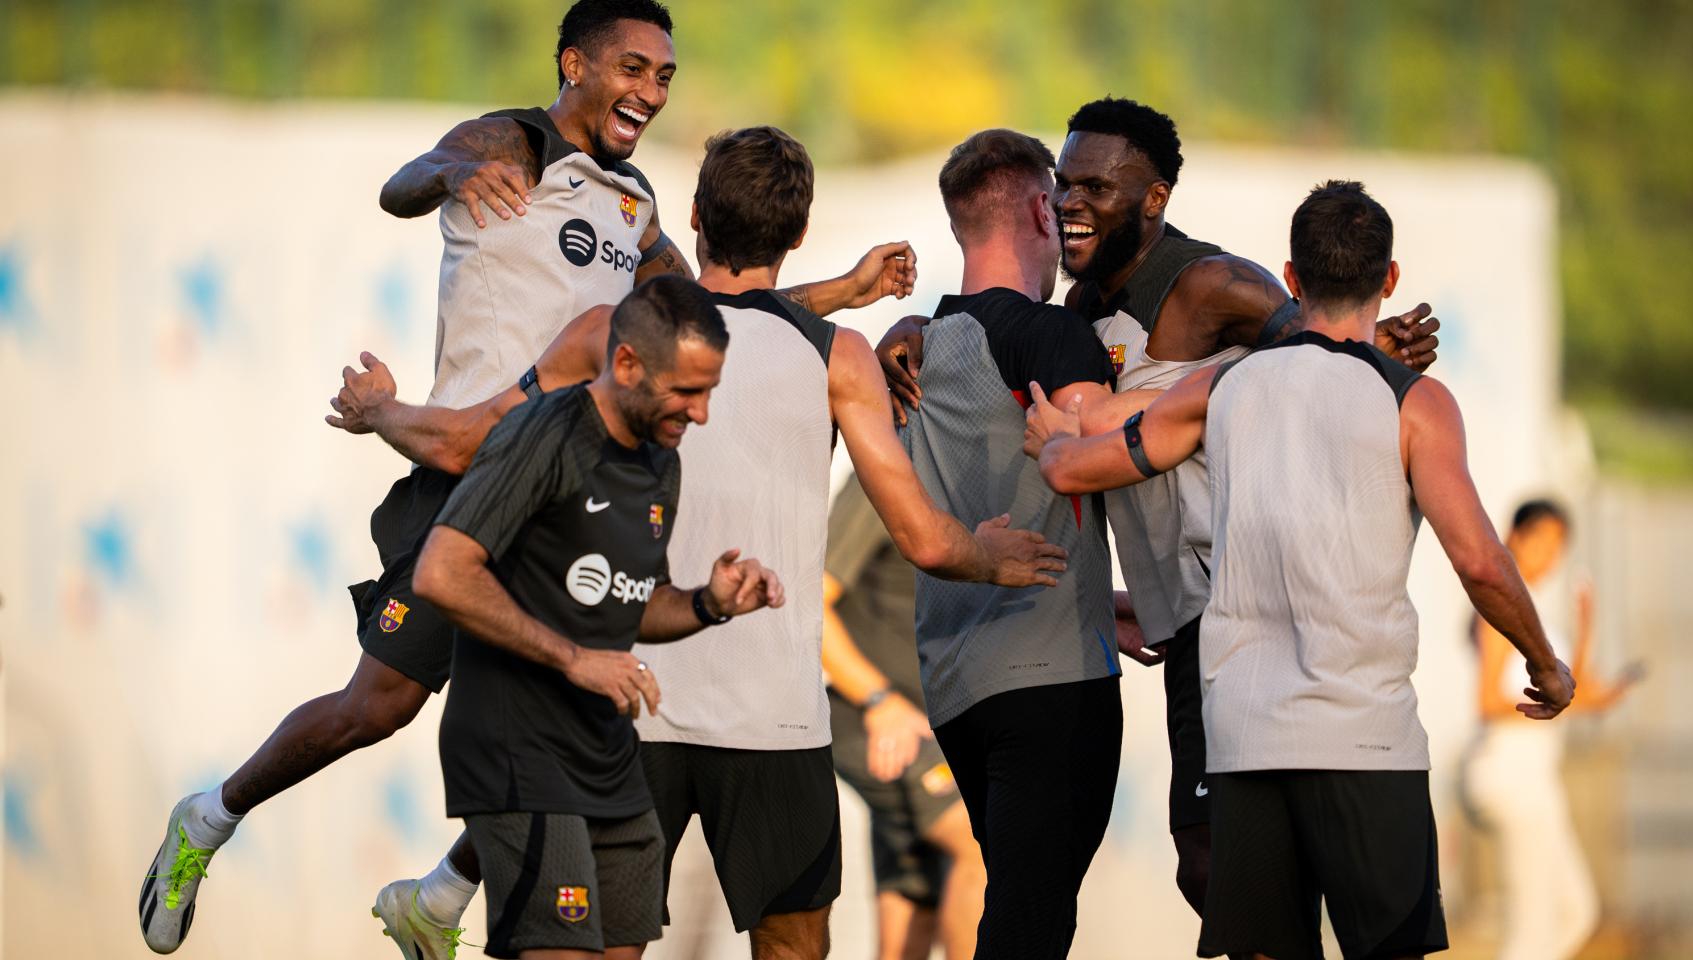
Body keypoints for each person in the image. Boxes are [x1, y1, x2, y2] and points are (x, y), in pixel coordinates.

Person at [137, 3, 913, 955]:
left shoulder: (637, 208)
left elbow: (719, 306)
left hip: (569, 489)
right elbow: (404, 183)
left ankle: (442, 895)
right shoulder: (514, 140)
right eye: (633, 67)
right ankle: (211, 818)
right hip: (471, 470)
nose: (650, 91)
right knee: (376, 707)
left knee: (584, 718)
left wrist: (843, 294)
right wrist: (456, 170)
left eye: (665, 76)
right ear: (572, 62)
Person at [327, 125, 1068, 960]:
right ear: (797, 233)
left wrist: (380, 411)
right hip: (774, 719)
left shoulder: (613, 333)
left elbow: (468, 442)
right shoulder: (838, 356)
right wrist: (992, 555)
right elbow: (925, 542)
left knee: (598, 945)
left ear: (694, 219)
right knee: (793, 945)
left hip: (624, 706)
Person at [877, 98, 1441, 915]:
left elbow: (1317, 359)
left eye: (1097, 187)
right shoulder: (1072, 316)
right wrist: (916, 327)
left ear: (1154, 199)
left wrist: (1375, 350)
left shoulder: (1214, 284)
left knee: (1233, 868)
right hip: (1181, 626)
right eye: (1063, 184)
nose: (1072, 202)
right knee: (1209, 868)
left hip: (1245, 611)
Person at [1028, 180, 1576, 960]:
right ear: (1388, 280)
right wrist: (1544, 663)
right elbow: (1483, 563)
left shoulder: (1221, 389)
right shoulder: (1415, 402)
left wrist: (1052, 441)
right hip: (1366, 740)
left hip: (1246, 739)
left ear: (1290, 278)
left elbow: (1087, 464)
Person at [415, 275, 783, 959]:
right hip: (513, 746)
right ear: (625, 364)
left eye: (710, 391)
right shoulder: (542, 435)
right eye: (687, 391)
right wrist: (574, 659)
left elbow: (635, 601)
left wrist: (709, 603)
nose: (701, 413)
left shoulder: (658, 459)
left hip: (608, 759)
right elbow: (441, 571)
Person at [890, 127, 1139, 960]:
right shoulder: (1047, 333)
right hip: (1051, 673)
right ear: (1042, 207)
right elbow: (1100, 451)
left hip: (958, 683)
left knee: (1027, 912)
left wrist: (1102, 597)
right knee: (1033, 925)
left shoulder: (924, 344)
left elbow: (973, 490)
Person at [1464, 499, 1641, 960]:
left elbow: (1569, 692)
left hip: (1539, 780)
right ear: (1514, 536)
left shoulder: (1533, 606)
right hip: (1511, 776)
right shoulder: (1500, 606)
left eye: (1558, 546)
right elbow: (1487, 701)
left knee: (1575, 912)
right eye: (1540, 540)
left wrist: (1586, 631)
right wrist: (1565, 701)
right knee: (1532, 933)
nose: (1549, 555)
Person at [821, 481, 985, 960]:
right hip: (877, 721)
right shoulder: (888, 473)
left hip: (934, 730)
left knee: (914, 889)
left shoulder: (965, 476)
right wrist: (879, 701)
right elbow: (812, 601)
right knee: (980, 844)